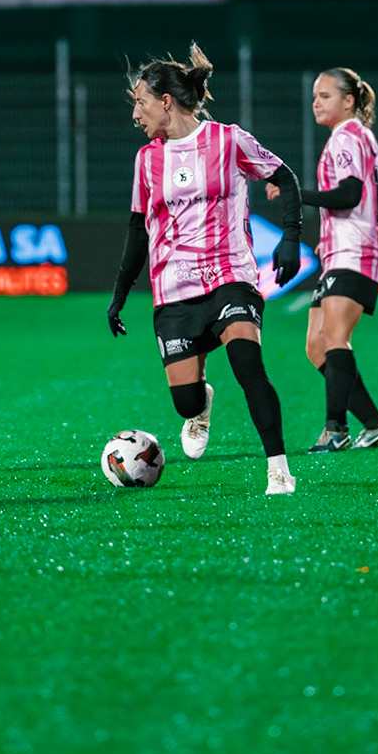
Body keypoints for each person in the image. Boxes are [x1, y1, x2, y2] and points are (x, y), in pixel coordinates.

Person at [106, 44, 305, 494]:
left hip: (230, 275)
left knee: (247, 363)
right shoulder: (146, 161)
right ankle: (201, 406)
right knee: (185, 400)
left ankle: (279, 470)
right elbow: (139, 229)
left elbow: (284, 177)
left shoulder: (228, 141)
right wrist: (120, 292)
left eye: (140, 103)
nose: (135, 114)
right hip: (174, 290)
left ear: (166, 102)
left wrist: (291, 237)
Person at [274, 67, 378, 452]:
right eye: (315, 95)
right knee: (316, 344)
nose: (316, 102)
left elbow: (349, 194)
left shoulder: (347, 137)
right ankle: (375, 425)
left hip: (353, 252)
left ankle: (335, 430)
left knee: (335, 338)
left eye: (325, 95)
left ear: (349, 101)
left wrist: (295, 192)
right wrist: (340, 232)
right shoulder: (361, 138)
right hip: (344, 250)